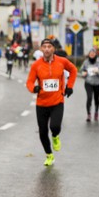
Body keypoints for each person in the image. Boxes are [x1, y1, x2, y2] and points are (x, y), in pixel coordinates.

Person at [26, 38, 78, 166]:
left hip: (57, 101)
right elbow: (29, 82)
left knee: (54, 127)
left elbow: (74, 70)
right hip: (42, 103)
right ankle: (49, 155)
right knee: (43, 132)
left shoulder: (62, 61)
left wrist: (70, 86)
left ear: (53, 49)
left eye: (49, 46)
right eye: (44, 47)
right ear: (41, 49)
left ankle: (55, 136)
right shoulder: (36, 65)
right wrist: (34, 88)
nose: (47, 49)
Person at [79, 48, 99, 121]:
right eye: (90, 53)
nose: (92, 54)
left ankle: (96, 112)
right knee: (89, 97)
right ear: (89, 54)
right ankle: (89, 114)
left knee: (96, 99)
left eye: (93, 53)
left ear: (95, 54)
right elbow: (81, 70)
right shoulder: (86, 62)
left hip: (98, 83)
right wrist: (83, 74)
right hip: (88, 83)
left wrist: (98, 71)